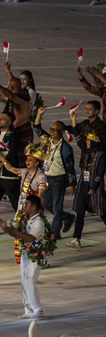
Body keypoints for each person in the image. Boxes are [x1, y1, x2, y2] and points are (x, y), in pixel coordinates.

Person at [0, 139, 48, 264]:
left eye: (30, 160)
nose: (27, 162)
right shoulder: (24, 172)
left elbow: (40, 195)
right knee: (18, 231)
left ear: (37, 162)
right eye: (27, 159)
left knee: (32, 234)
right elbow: (10, 168)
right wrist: (2, 157)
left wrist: (32, 210)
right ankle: (21, 258)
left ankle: (37, 258)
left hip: (32, 209)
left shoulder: (41, 176)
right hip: (22, 208)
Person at [0, 195, 45, 319]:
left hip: (34, 255)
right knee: (24, 282)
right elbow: (19, 236)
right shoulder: (27, 220)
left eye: (27, 204)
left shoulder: (38, 222)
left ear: (34, 207)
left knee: (30, 281)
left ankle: (37, 309)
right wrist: (6, 229)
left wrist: (13, 230)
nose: (25, 206)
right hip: (25, 254)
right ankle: (28, 310)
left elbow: (29, 238)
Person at [66, 109, 106, 249]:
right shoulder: (88, 153)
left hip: (95, 188)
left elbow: (100, 173)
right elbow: (78, 139)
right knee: (80, 211)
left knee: (102, 212)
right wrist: (73, 121)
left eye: (89, 141)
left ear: (94, 142)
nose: (86, 143)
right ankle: (76, 239)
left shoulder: (100, 155)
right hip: (84, 184)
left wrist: (94, 188)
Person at [34, 107, 76, 238]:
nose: (51, 132)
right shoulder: (48, 141)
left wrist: (72, 183)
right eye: (51, 129)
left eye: (55, 130)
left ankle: (55, 232)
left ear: (62, 132)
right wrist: (39, 114)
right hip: (47, 178)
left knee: (57, 206)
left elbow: (70, 166)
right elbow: (37, 128)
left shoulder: (65, 148)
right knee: (48, 204)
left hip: (59, 179)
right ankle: (67, 217)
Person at [0, 62, 32, 166]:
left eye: (10, 87)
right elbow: (14, 84)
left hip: (22, 134)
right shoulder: (16, 93)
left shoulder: (22, 98)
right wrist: (8, 71)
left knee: (19, 162)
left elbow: (11, 95)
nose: (8, 88)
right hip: (13, 132)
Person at [71, 101, 106, 169]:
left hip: (96, 162)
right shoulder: (85, 123)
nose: (86, 111)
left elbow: (103, 145)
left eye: (89, 109)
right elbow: (75, 129)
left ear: (96, 111)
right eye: (86, 109)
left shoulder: (101, 126)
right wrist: (62, 126)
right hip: (84, 161)